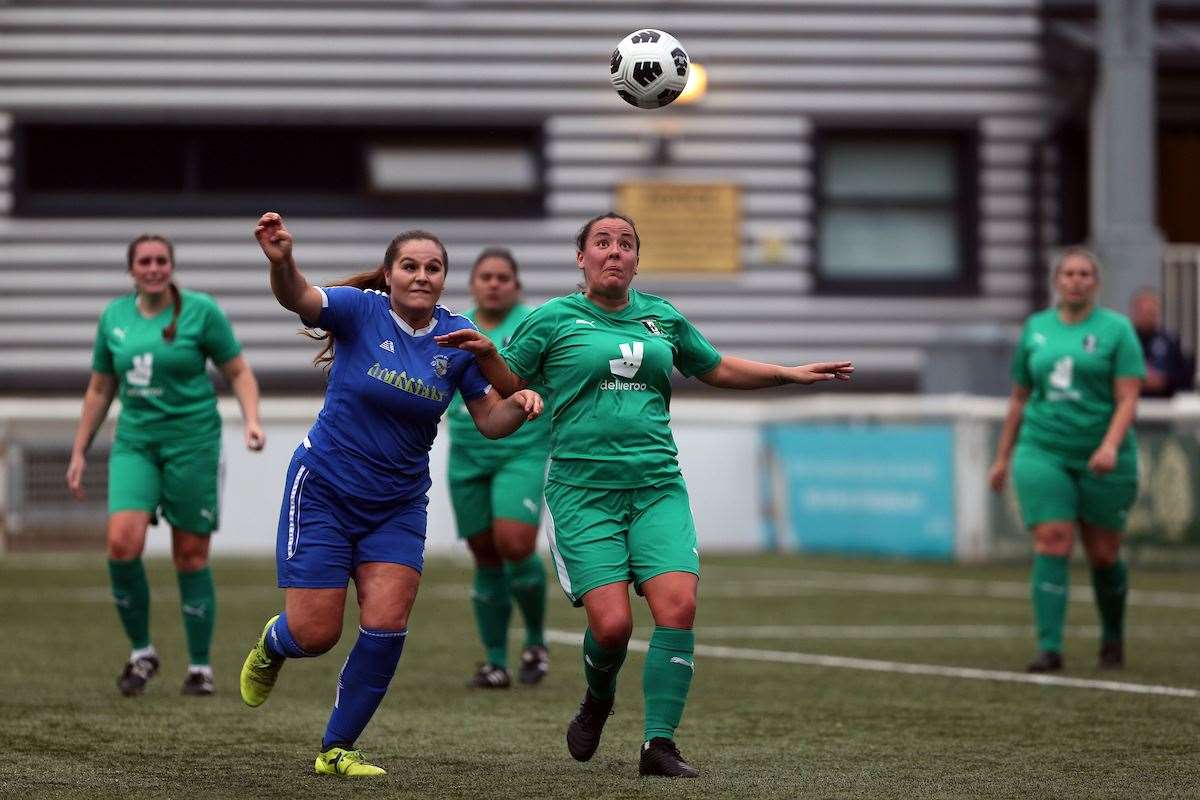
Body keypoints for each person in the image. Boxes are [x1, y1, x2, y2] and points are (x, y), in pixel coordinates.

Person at [436, 212, 853, 779]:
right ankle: (597, 698)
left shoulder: (662, 317)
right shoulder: (552, 319)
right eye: (602, 243)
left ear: (636, 259)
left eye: (625, 244)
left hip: (657, 487)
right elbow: (510, 380)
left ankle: (660, 744)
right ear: (580, 258)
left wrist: (786, 373)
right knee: (612, 628)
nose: (614, 252)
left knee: (677, 607)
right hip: (583, 493)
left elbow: (715, 367)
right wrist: (488, 354)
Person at [238, 212, 543, 779]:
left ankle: (337, 748)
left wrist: (519, 407)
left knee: (385, 624)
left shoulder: (457, 339)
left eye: (433, 268)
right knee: (315, 633)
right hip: (324, 491)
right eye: (410, 266)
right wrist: (281, 262)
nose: (421, 275)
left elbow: (489, 422)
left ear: (444, 278)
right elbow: (298, 297)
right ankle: (272, 645)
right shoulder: (360, 311)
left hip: (398, 504)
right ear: (390, 273)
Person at [66, 233, 266, 698]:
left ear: (171, 266)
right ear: (131, 269)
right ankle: (142, 652)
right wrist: (79, 449)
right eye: (144, 261)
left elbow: (238, 370)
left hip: (192, 443)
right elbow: (100, 388)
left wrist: (252, 420)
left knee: (190, 555)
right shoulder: (114, 317)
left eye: (161, 260)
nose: (153, 268)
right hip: (135, 443)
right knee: (121, 543)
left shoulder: (201, 311)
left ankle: (200, 667)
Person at [988, 247, 1145, 674]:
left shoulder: (1117, 330)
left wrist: (1110, 445)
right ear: (1057, 281)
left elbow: (1128, 396)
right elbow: (1020, 397)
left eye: (1085, 274)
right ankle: (1049, 648)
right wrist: (1002, 458)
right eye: (1069, 273)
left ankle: (1112, 636)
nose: (1076, 280)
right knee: (1052, 539)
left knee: (1104, 553)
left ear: (1096, 282)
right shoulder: (1036, 328)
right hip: (1042, 449)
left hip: (1103, 454)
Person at [446, 248, 551, 689]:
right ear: (472, 284)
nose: (493, 283)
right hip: (467, 454)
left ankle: (534, 640)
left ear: (516, 285)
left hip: (521, 450)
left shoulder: (534, 325)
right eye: (485, 276)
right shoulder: (454, 328)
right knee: (484, 552)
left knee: (515, 542)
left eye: (502, 277)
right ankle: (494, 662)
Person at [1129, 287, 1193, 398]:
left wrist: (1163, 381)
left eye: (1151, 312)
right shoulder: (1124, 340)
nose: (1147, 316)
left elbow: (1184, 377)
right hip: (1130, 401)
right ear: (1134, 312)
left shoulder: (1170, 341)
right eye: (1143, 311)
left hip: (1164, 405)